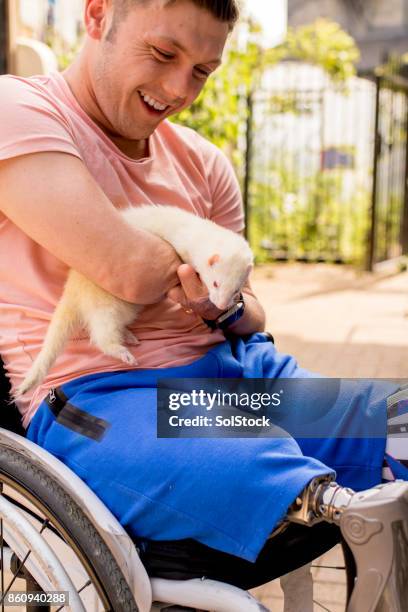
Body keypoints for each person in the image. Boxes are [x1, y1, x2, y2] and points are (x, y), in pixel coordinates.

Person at [0, 0, 407, 593]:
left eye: (201, 71)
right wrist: (212, 265)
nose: (177, 87)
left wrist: (228, 305)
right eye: (164, 54)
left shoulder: (203, 162)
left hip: (236, 376)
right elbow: (130, 272)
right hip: (115, 394)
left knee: (395, 419)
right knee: (270, 466)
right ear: (96, 16)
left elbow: (252, 313)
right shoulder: (21, 110)